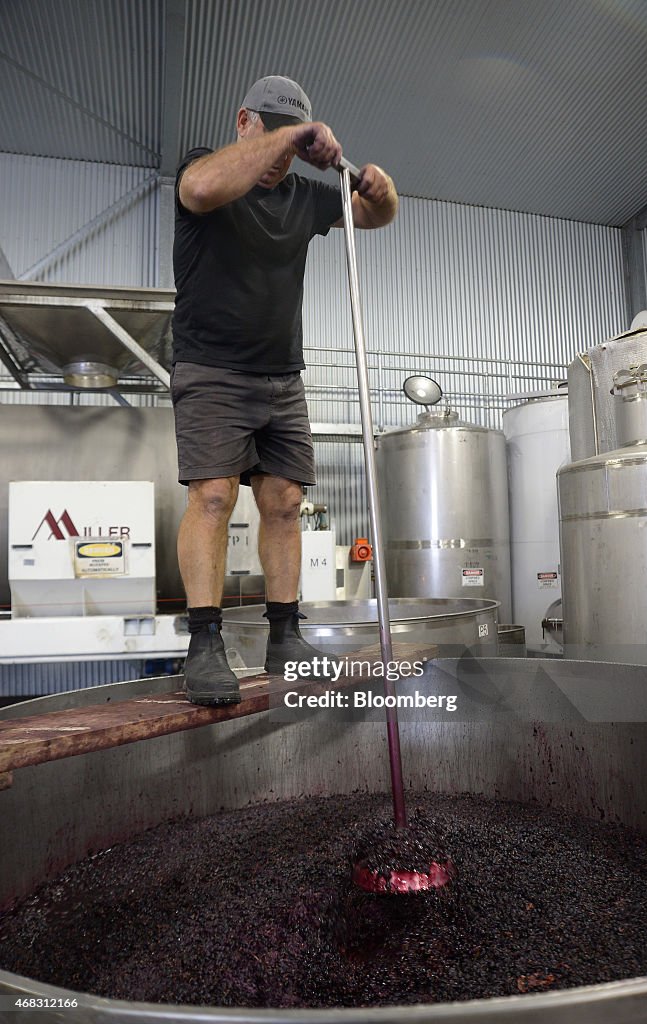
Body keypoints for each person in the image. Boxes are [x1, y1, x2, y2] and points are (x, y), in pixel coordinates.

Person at [171, 74, 398, 706]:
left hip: (281, 376)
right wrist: (290, 138)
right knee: (213, 495)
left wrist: (378, 186)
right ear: (244, 122)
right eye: (270, 136)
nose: (280, 158)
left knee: (285, 500)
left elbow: (375, 216)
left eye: (290, 148)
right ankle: (205, 644)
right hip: (211, 367)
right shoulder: (204, 167)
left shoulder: (303, 197)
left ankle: (284, 635)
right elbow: (201, 187)